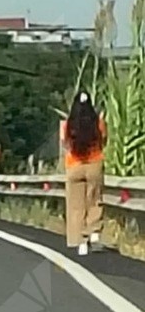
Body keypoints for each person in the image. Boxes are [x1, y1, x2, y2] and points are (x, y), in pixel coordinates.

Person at [63, 91, 106, 256]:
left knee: (76, 205)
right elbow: (104, 140)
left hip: (74, 165)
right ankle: (94, 233)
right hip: (94, 163)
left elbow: (65, 143)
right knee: (94, 200)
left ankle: (81, 242)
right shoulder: (98, 122)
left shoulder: (69, 124)